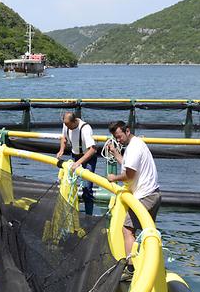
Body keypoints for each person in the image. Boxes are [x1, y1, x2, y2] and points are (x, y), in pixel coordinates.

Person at [105, 120, 161, 259]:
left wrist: (114, 178)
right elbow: (129, 165)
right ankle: (149, 260)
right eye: (116, 138)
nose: (118, 140)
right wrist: (115, 153)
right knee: (147, 232)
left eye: (119, 136)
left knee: (127, 230)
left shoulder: (134, 148)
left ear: (127, 131)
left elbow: (129, 175)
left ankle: (130, 267)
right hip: (153, 194)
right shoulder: (136, 144)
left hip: (145, 196)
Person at [56, 111, 97, 215]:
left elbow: (92, 149)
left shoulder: (85, 129)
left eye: (68, 125)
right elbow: (64, 138)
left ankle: (89, 216)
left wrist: (78, 163)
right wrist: (61, 150)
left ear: (74, 121)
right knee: (69, 183)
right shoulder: (66, 125)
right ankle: (70, 212)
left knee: (87, 188)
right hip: (75, 155)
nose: (67, 127)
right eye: (65, 124)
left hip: (88, 157)